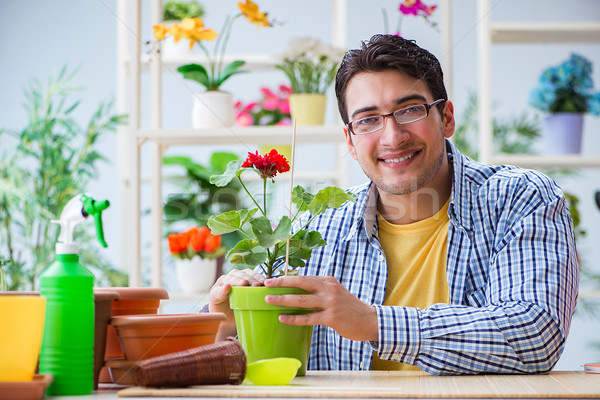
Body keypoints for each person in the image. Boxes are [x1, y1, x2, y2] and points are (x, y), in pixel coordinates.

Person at [208, 34, 579, 375]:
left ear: (446, 118)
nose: (392, 136)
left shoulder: (520, 198)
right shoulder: (316, 223)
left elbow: (535, 336)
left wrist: (372, 322)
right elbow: (268, 366)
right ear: (351, 142)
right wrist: (228, 323)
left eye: (410, 110)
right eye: (368, 120)